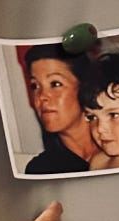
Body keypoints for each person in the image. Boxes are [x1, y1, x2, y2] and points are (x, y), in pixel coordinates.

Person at [22, 45, 96, 174]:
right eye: (35, 86)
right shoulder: (41, 170)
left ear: (84, 88)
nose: (42, 96)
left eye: (55, 84)